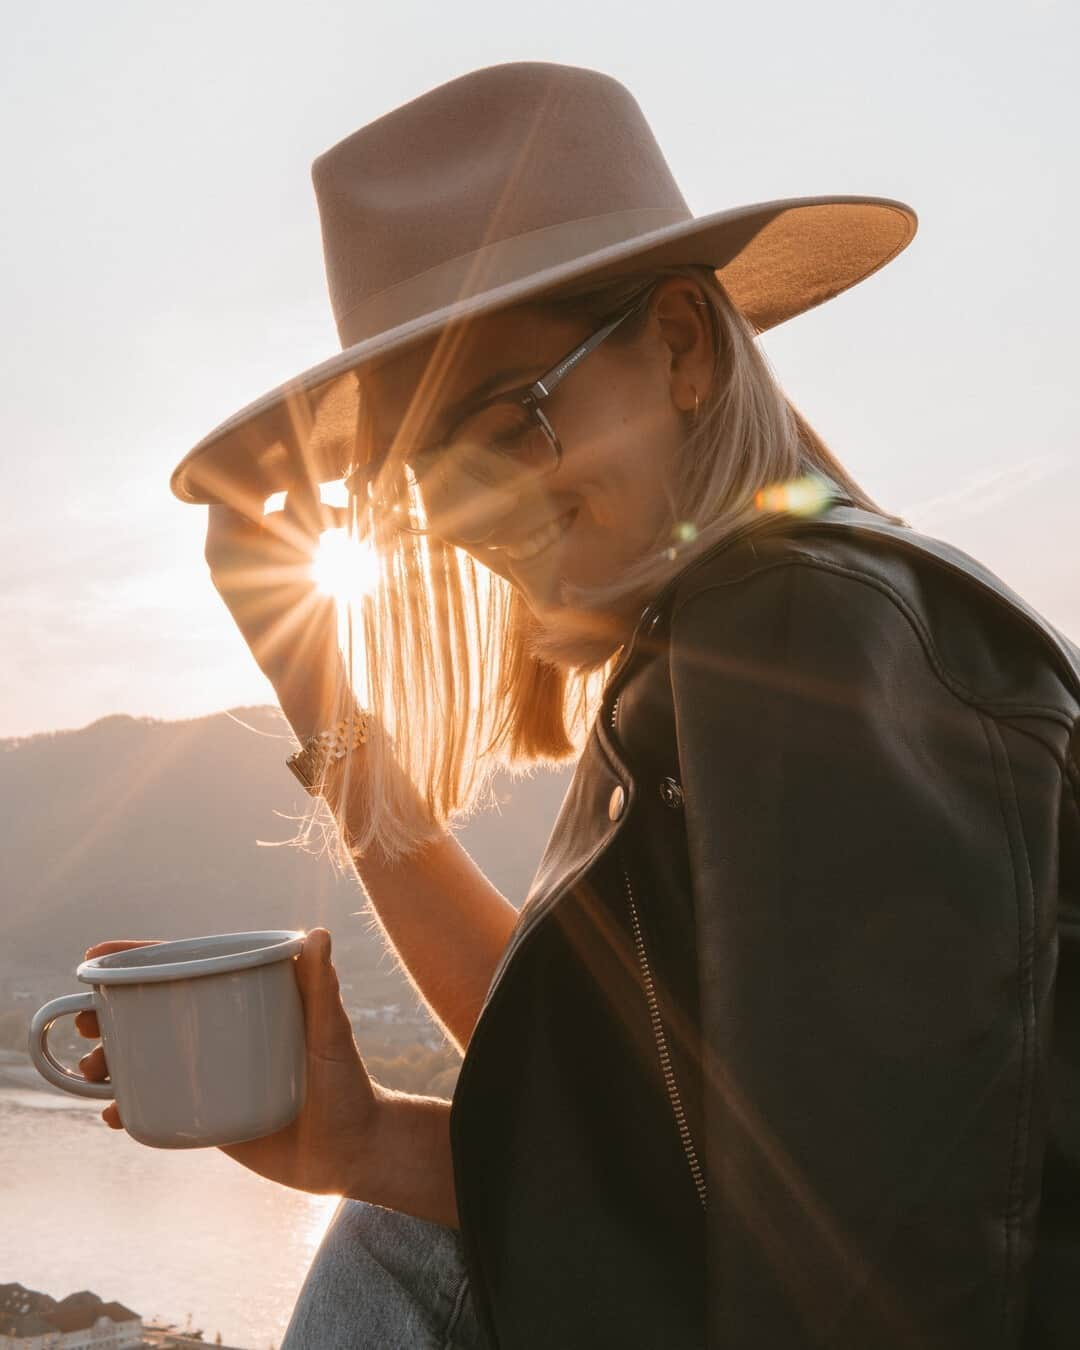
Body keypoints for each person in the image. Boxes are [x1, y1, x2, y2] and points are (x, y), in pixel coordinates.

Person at [75, 63, 1079, 1349]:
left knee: (399, 1256)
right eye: (418, 478)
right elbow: (646, 1136)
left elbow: (864, 1273)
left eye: (507, 425)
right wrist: (369, 1139)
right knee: (394, 1228)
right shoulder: (755, 636)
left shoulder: (799, 633)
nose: (470, 522)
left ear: (680, 343)